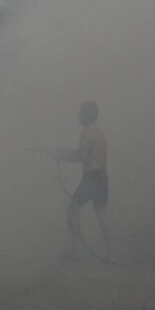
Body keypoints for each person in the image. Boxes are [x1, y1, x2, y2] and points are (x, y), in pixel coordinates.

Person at [55, 101, 111, 259]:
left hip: (92, 178)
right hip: (102, 177)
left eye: (81, 113)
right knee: (102, 215)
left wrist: (60, 155)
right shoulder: (100, 132)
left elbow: (80, 156)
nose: (78, 116)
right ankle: (111, 252)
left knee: (72, 210)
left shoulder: (87, 133)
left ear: (88, 115)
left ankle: (74, 251)